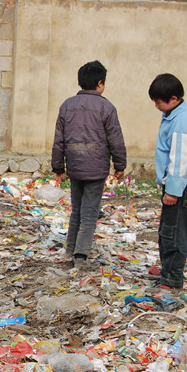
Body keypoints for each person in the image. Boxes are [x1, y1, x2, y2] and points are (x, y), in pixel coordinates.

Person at [51, 60, 127, 268]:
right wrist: (120, 166)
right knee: (90, 211)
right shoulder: (107, 107)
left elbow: (59, 140)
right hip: (96, 167)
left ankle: (70, 248)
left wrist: (58, 168)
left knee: (77, 208)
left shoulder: (67, 106)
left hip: (75, 166)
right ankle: (81, 255)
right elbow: (115, 140)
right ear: (100, 83)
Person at [148, 73, 187, 289]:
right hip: (175, 183)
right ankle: (168, 271)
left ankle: (172, 278)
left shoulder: (181, 121)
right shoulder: (175, 114)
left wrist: (172, 190)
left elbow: (180, 159)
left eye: (158, 102)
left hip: (180, 186)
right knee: (170, 228)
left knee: (174, 231)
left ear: (173, 98)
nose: (156, 106)